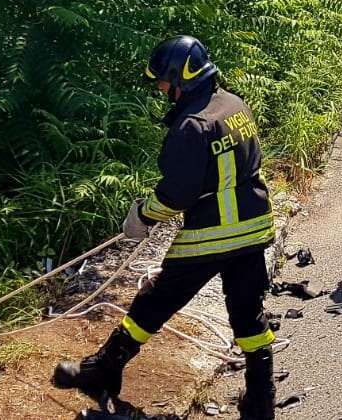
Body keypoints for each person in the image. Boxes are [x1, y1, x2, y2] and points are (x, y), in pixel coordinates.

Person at [55, 36, 276, 419]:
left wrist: (142, 215)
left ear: (182, 77)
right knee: (247, 312)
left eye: (162, 80)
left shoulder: (192, 125)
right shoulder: (233, 104)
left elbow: (177, 194)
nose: (160, 88)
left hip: (214, 232)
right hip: (254, 226)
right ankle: (261, 398)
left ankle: (103, 370)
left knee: (155, 300)